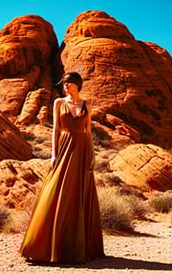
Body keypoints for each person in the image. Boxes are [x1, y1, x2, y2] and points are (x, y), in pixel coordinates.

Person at [18, 71, 106, 264]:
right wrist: (53, 154)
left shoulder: (87, 105)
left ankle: (76, 246)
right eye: (64, 83)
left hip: (82, 150)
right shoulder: (59, 103)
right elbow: (55, 130)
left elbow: (88, 132)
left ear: (77, 84)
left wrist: (92, 156)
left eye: (69, 83)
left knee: (78, 193)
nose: (65, 86)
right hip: (65, 147)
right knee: (56, 190)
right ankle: (44, 245)